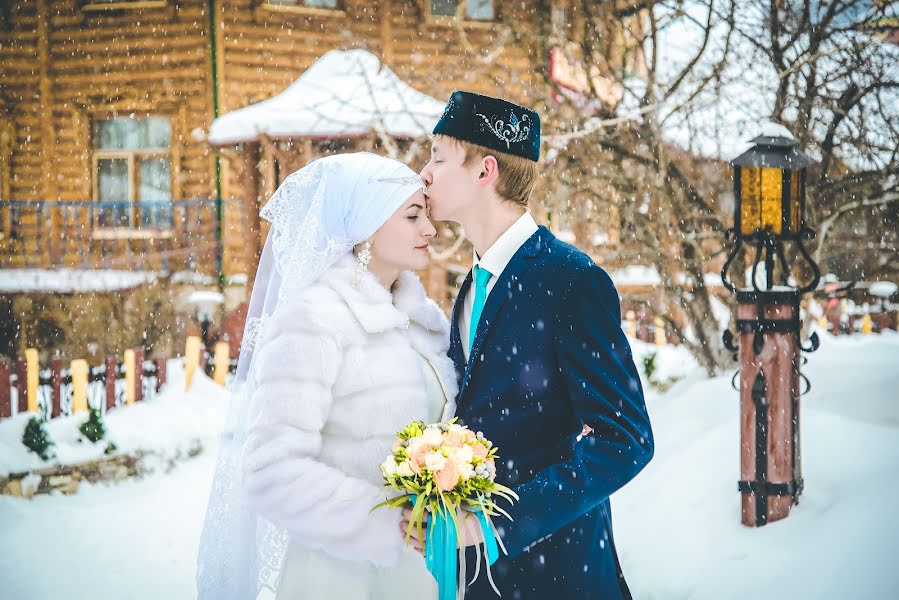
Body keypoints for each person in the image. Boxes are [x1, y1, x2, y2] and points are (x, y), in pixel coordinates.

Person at [406, 91, 655, 599]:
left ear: (485, 170)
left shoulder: (571, 280)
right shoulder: (471, 283)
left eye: (437, 157)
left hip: (560, 572)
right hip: (478, 579)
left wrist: (497, 522)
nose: (424, 174)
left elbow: (626, 439)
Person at [197, 152, 457, 600]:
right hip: (341, 577)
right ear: (366, 224)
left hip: (423, 572)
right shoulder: (313, 320)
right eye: (413, 215)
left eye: (427, 215)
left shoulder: (424, 321)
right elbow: (270, 470)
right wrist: (386, 521)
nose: (430, 229)